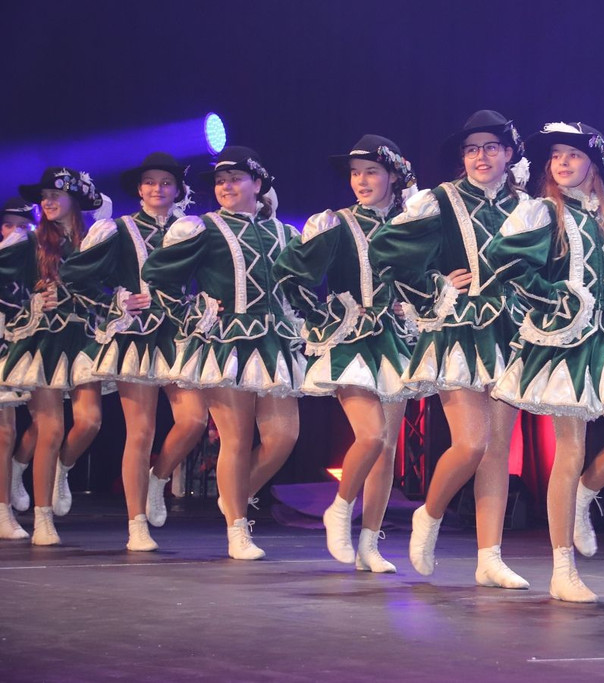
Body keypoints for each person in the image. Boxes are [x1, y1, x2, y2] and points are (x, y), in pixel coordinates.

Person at [485, 122, 604, 603]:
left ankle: (582, 496)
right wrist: (557, 299)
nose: (562, 163)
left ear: (593, 165)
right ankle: (562, 569)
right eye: (556, 155)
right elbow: (504, 262)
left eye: (573, 155)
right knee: (570, 450)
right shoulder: (543, 212)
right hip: (563, 345)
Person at [370, 110, 530, 589]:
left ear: (508, 154)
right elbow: (386, 250)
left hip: (510, 332)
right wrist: (435, 286)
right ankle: (431, 513)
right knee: (472, 443)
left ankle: (490, 557)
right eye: (472, 149)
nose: (481, 156)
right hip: (458, 331)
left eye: (491, 147)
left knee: (497, 451)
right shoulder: (440, 199)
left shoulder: (527, 207)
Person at [143, 146, 304, 560]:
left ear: (257, 183)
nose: (226, 186)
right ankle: (237, 528)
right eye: (220, 181)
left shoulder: (285, 233)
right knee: (236, 439)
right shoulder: (205, 228)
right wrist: (192, 312)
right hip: (225, 342)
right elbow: (158, 275)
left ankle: (234, 495)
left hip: (274, 343)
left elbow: (298, 287)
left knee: (283, 437)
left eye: (235, 179)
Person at [274, 135, 418, 572]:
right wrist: (322, 313)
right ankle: (339, 509)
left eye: (371, 171)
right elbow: (290, 274)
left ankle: (370, 544)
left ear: (392, 175)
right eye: (356, 173)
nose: (361, 180)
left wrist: (414, 304)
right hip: (350, 339)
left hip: (396, 341)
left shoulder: (411, 222)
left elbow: (426, 275)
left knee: (387, 449)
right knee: (371, 435)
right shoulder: (336, 223)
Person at [60, 153, 209, 551]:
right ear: (139, 189)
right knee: (140, 432)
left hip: (179, 335)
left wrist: (209, 303)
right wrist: (116, 301)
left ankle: (158, 479)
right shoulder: (121, 229)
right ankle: (136, 524)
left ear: (178, 190)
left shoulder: (192, 228)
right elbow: (75, 275)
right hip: (136, 337)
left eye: (166, 182)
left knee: (194, 420)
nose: (157, 188)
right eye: (150, 182)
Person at [2, 168, 106, 545]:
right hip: (44, 341)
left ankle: (59, 469)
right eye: (44, 196)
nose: (47, 202)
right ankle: (43, 519)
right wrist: (31, 302)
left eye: (56, 195)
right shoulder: (30, 242)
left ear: (74, 199)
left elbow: (109, 285)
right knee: (51, 429)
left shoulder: (95, 239)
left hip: (85, 341)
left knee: (90, 421)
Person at [0, 198, 35, 540]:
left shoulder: (37, 259)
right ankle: (3, 512)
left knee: (48, 422)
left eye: (23, 226)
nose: (16, 232)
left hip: (25, 346)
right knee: (5, 432)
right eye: (9, 225)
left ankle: (16, 471)